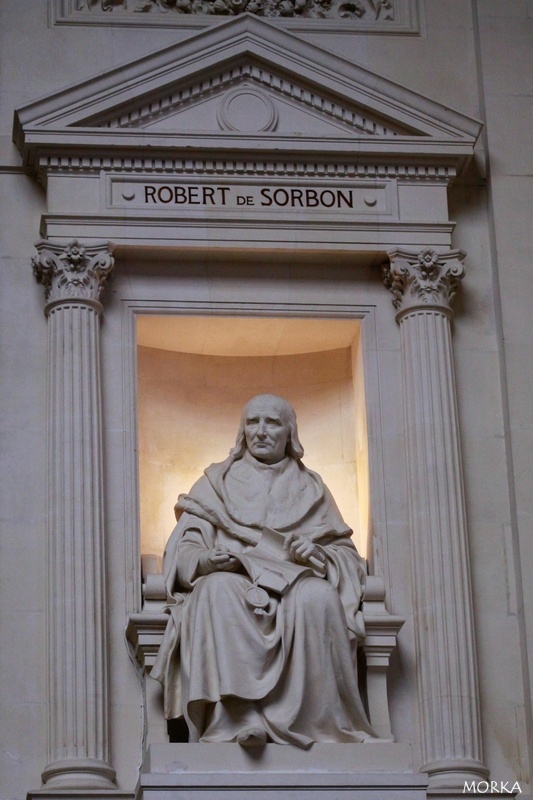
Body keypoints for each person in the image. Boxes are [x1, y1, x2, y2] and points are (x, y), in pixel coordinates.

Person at [151, 394, 376, 748]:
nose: (261, 431)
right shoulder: (214, 483)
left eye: (272, 422)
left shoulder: (313, 490)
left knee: (319, 597)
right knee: (215, 590)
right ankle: (236, 721)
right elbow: (184, 550)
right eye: (252, 422)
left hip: (296, 582)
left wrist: (317, 553)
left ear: (290, 432)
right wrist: (206, 561)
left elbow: (345, 555)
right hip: (236, 581)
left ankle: (316, 724)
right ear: (242, 431)